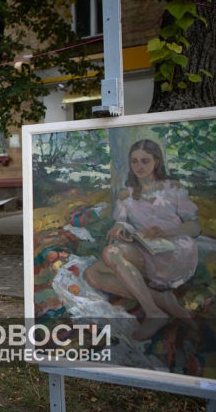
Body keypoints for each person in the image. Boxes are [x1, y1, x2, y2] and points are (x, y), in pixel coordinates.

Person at [84, 139, 200, 341]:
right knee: (92, 274)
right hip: (146, 249)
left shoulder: (172, 188)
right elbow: (123, 223)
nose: (139, 167)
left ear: (156, 162)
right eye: (134, 161)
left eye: (145, 161)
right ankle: (163, 300)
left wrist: (167, 231)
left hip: (175, 250)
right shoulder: (126, 195)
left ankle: (154, 312)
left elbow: (195, 226)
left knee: (111, 253)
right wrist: (119, 228)